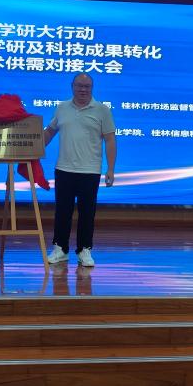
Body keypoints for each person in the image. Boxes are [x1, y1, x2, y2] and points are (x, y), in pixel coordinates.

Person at [43, 73, 116, 267]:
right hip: (64, 168)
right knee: (62, 212)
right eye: (79, 85)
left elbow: (110, 140)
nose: (83, 89)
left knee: (87, 213)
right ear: (72, 86)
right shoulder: (62, 108)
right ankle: (60, 249)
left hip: (90, 170)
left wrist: (111, 169)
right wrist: (32, 147)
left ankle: (85, 250)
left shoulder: (102, 110)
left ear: (92, 88)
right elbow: (50, 131)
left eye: (87, 86)